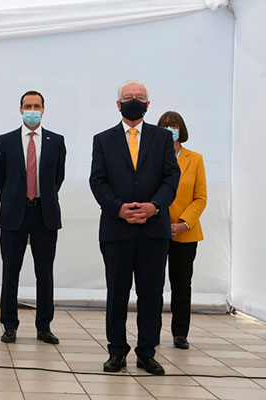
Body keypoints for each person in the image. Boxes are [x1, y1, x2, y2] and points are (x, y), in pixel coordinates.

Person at [89, 80, 180, 375]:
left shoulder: (162, 138)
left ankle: (147, 352)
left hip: (154, 229)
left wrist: (154, 206)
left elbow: (171, 178)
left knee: (151, 294)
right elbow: (97, 180)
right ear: (118, 104)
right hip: (117, 229)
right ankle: (116, 351)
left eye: (140, 97)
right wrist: (119, 208)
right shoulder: (103, 139)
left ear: (148, 104)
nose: (134, 101)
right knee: (117, 293)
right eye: (128, 97)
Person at [0, 91, 66, 345]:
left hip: (45, 214)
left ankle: (44, 326)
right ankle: (9, 325)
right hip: (14, 214)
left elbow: (57, 177)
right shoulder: (6, 141)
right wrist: (13, 199)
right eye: (27, 106)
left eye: (36, 106)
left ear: (43, 109)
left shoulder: (56, 141)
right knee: (10, 272)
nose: (32, 110)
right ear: (20, 109)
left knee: (44, 273)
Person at [157, 111, 207, 350]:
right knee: (153, 284)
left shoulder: (195, 159)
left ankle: (180, 333)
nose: (170, 129)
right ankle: (151, 331)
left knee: (181, 284)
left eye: (174, 125)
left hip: (185, 232)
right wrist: (162, 220)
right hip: (157, 229)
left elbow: (200, 197)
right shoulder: (152, 158)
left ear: (181, 129)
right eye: (165, 125)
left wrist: (183, 223)